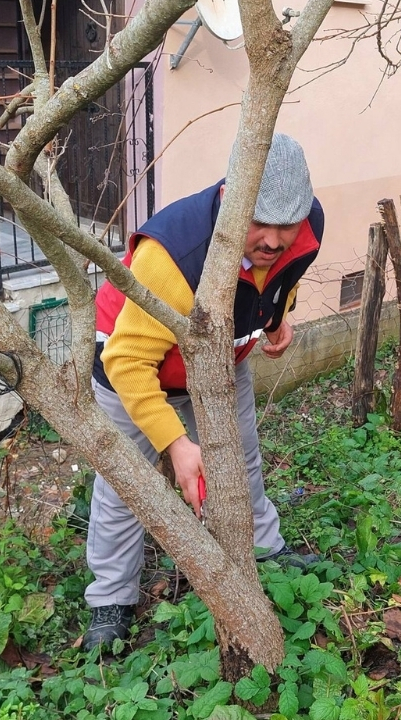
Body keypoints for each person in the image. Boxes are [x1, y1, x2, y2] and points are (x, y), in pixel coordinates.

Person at [83, 134, 323, 650]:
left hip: (216, 364)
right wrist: (175, 443)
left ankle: (264, 547)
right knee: (128, 484)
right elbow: (127, 360)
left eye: (288, 224)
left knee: (242, 459)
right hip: (134, 367)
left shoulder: (307, 228)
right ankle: (110, 599)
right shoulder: (175, 253)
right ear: (231, 198)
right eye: (261, 222)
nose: (275, 240)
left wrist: (276, 320)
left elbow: (285, 278)